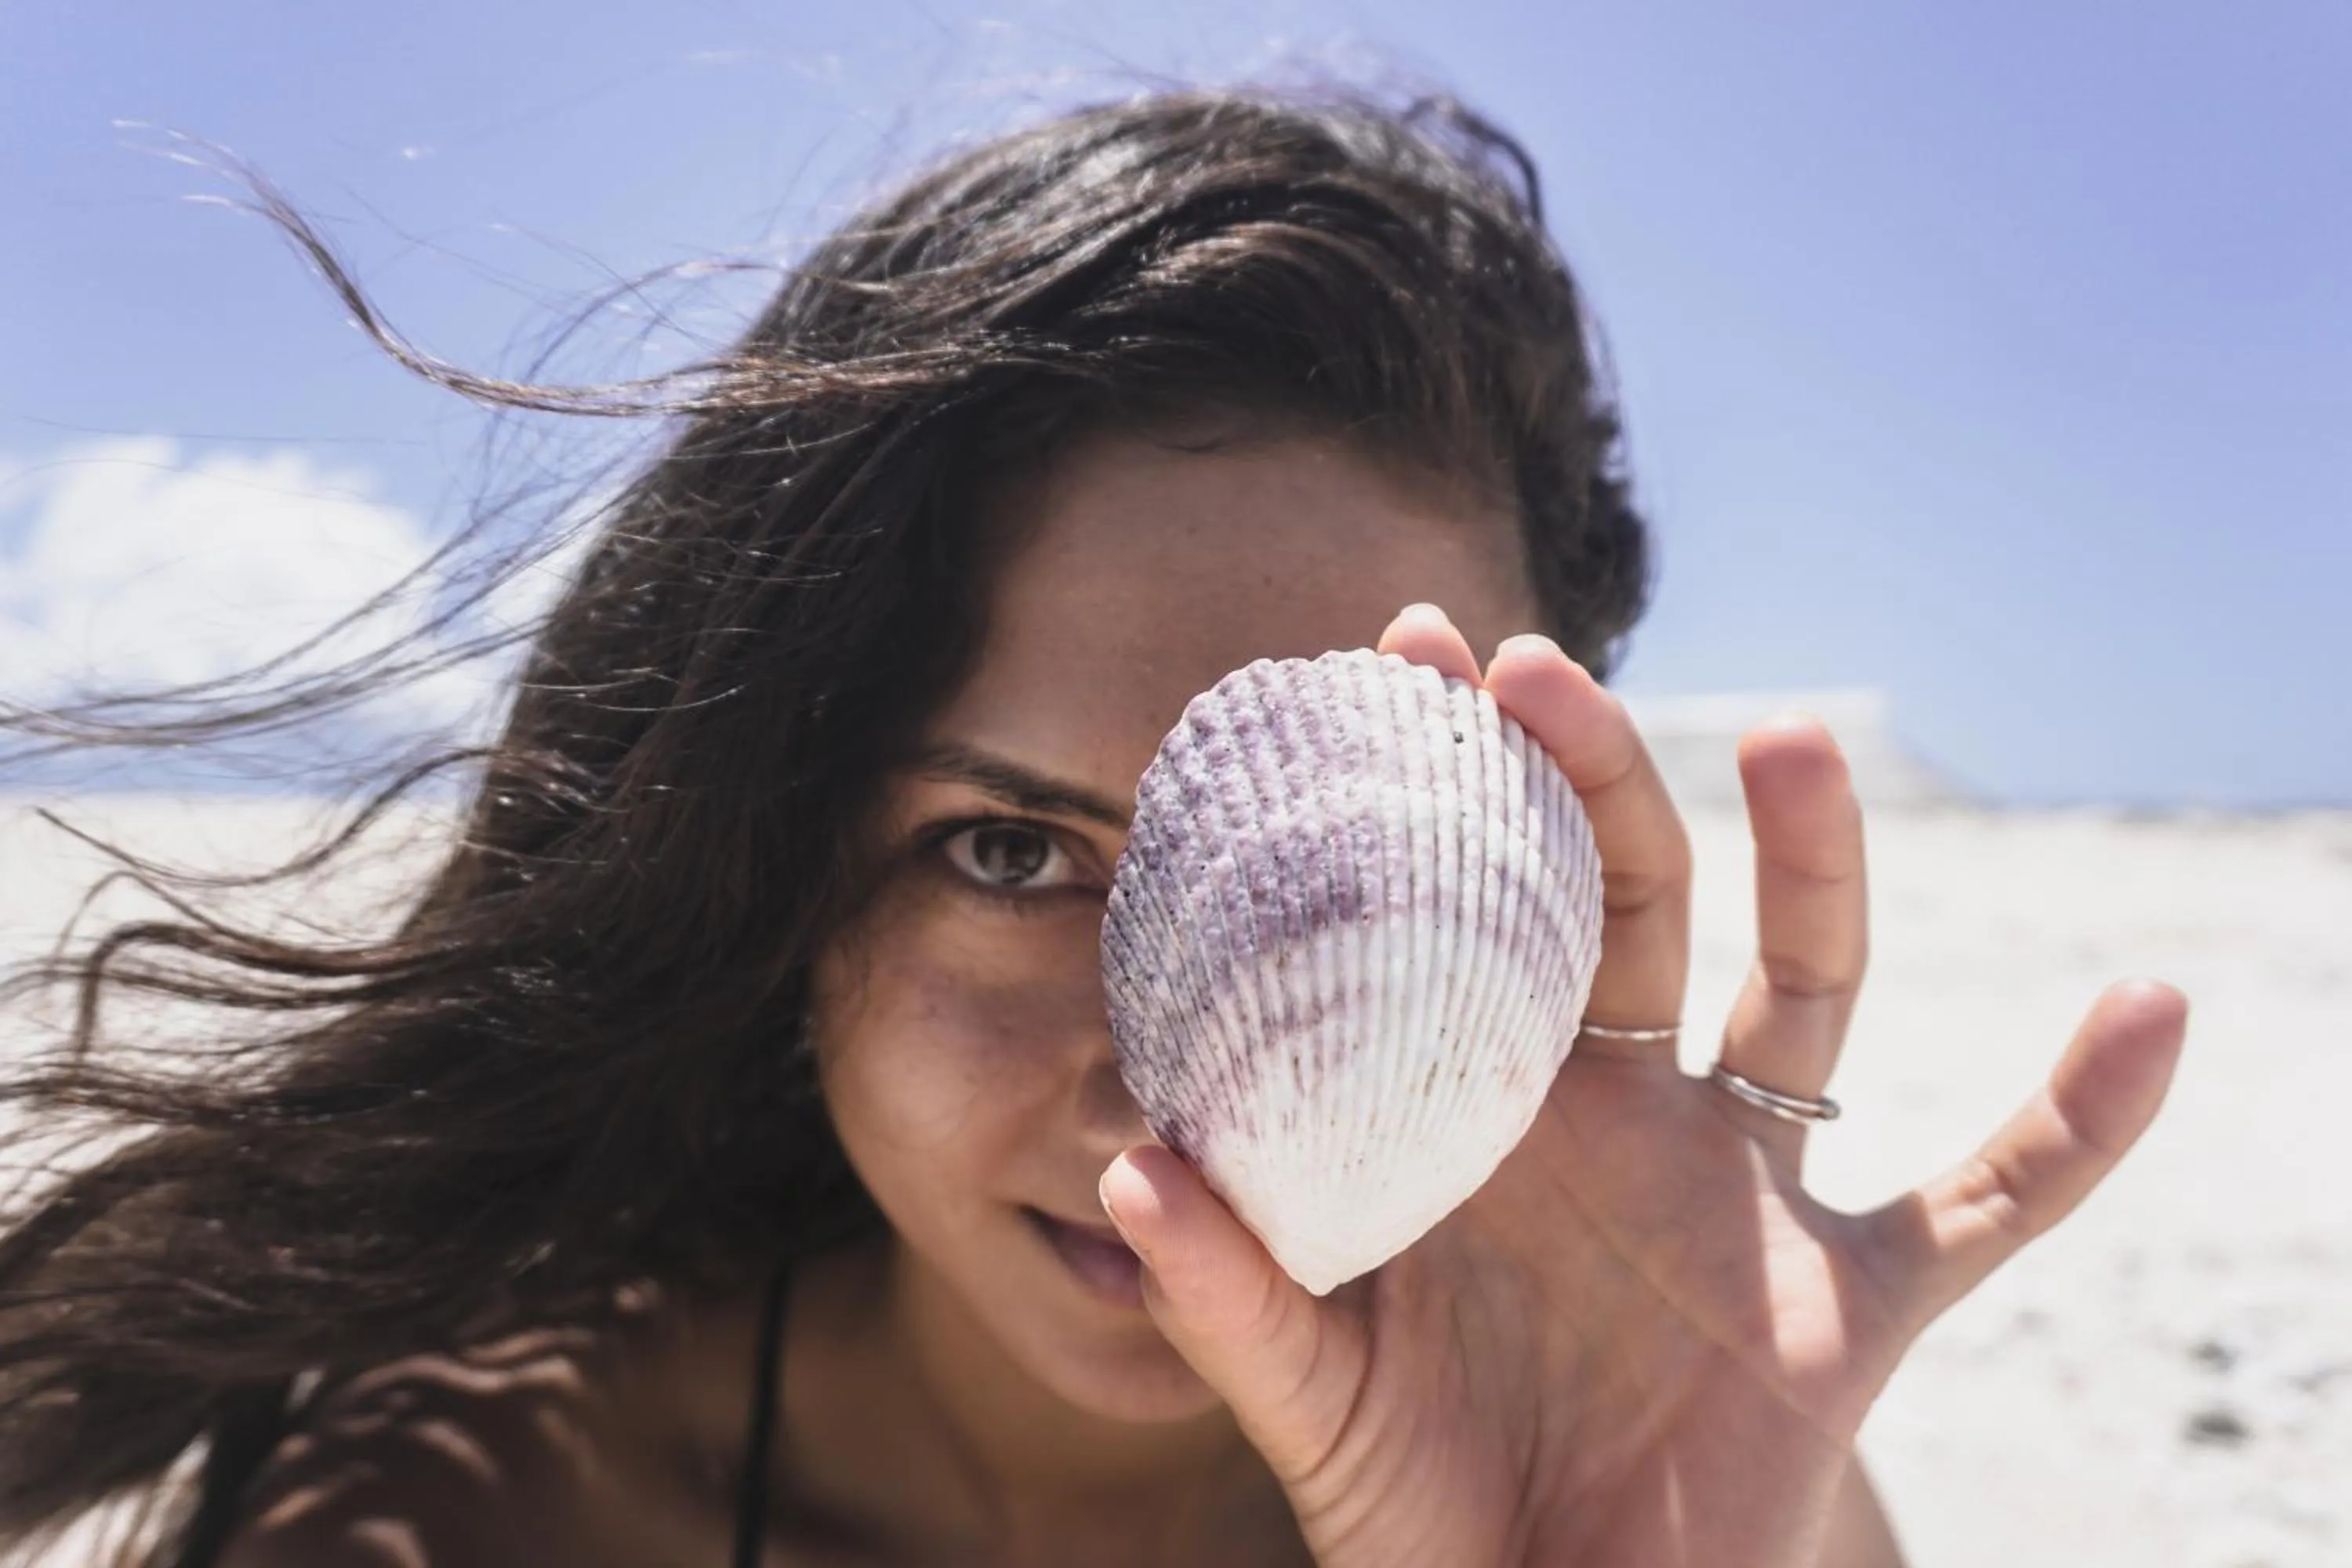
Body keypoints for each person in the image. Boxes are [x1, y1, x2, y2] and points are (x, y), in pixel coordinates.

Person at [0, 86, 2187, 1567]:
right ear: (786, 857)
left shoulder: (1705, 1488)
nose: (1170, 1100)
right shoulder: (481, 1495)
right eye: (1011, 851)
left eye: (1345, 874)